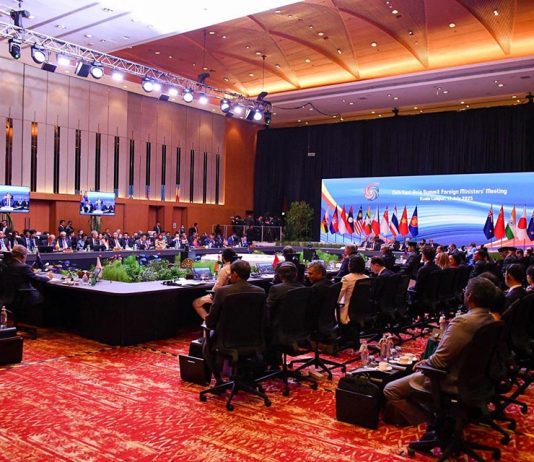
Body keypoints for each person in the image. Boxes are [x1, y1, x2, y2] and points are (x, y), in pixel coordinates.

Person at [383, 277, 497, 426]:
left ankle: (432, 421)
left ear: (469, 296)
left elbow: (439, 362)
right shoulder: (492, 320)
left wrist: (424, 364)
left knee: (390, 389)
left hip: (449, 380)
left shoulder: (463, 322)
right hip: (476, 380)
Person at [203, 260, 265, 384]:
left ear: (235, 274)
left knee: (206, 345)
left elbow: (211, 322)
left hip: (227, 341)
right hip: (254, 340)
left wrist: (207, 322)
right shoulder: (260, 291)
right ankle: (246, 375)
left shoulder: (222, 292)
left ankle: (219, 381)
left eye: (230, 274)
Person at [192, 248, 237, 320]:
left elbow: (217, 288)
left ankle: (209, 322)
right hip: (235, 296)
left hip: (222, 297)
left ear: (223, 258)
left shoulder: (225, 269)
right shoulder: (238, 267)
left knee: (196, 303)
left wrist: (211, 294)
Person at [337, 255, 368, 325]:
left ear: (350, 266)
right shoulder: (367, 278)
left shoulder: (346, 278)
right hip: (363, 309)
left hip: (348, 311)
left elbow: (338, 296)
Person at [307, 261, 335, 337]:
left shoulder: (315, 289)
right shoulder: (331, 284)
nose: (308, 276)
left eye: (310, 274)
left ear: (320, 274)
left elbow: (311, 310)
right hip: (330, 320)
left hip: (318, 323)